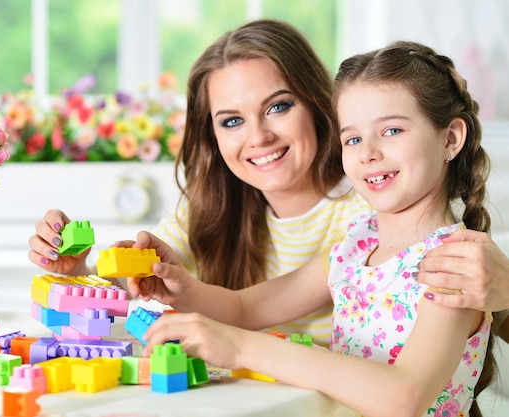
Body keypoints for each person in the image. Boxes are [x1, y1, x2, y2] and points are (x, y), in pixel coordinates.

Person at [27, 19, 509, 344]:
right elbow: (156, 288)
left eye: (279, 106)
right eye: (231, 121)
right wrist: (78, 272)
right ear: (212, 135)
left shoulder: (380, 204)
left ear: (321, 106)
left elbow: (465, 321)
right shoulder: (209, 208)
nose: (258, 136)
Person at [127, 40, 496, 417]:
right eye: (352, 138)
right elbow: (243, 307)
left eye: (391, 131)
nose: (367, 152)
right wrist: (183, 290)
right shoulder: (356, 246)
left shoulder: (455, 266)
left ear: (450, 139)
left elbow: (404, 396)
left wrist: (240, 347)